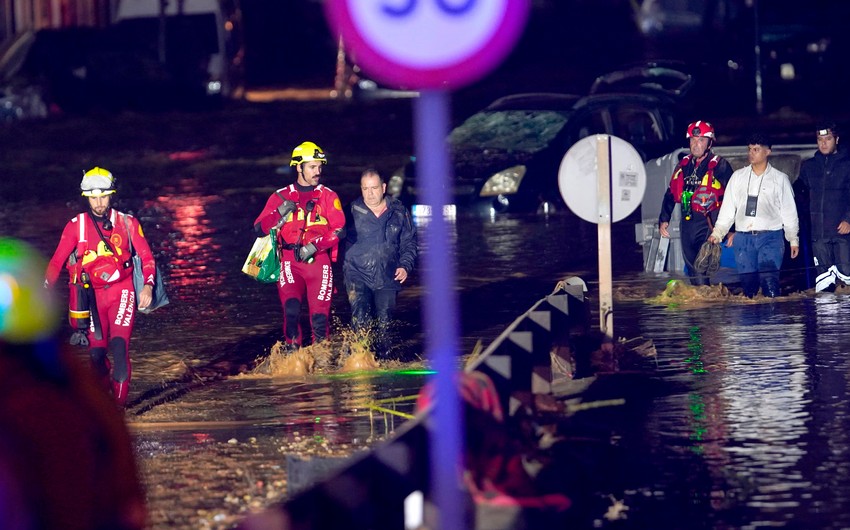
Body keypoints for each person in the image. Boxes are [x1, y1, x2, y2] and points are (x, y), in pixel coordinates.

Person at [44, 167, 158, 406]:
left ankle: (118, 409)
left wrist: (147, 286)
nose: (99, 202)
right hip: (91, 297)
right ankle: (104, 401)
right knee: (96, 355)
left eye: (103, 196)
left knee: (118, 347)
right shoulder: (76, 226)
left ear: (112, 195)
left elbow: (147, 258)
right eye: (94, 197)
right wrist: (44, 292)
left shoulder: (128, 223)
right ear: (86, 197)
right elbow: (56, 262)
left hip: (123, 291)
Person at [253, 141, 346, 350]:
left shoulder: (328, 196)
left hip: (319, 263)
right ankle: (293, 363)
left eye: (320, 167)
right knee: (291, 313)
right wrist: (279, 213)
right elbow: (258, 229)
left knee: (320, 319)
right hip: (288, 262)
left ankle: (322, 363)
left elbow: (340, 229)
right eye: (312, 167)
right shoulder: (280, 196)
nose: (317, 172)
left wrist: (315, 246)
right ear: (298, 167)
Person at [708, 133, 800, 298]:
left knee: (769, 281)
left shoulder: (780, 179)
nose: (751, 153)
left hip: (771, 237)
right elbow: (728, 210)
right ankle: (752, 321)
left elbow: (789, 212)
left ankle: (772, 320)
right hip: (743, 239)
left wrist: (793, 239)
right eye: (750, 149)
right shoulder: (738, 178)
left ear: (767, 152)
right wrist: (717, 233)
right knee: (748, 287)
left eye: (756, 149)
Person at [343, 169, 418, 357]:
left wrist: (405, 265)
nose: (370, 193)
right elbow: (331, 235)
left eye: (374, 188)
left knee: (385, 323)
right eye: (365, 188)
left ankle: (384, 364)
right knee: (361, 319)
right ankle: (358, 361)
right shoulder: (350, 211)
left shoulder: (399, 211)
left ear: (383, 187)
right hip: (356, 273)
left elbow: (409, 242)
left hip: (388, 274)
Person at [659, 120, 734, 285]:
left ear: (709, 142)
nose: (696, 144)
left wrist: (731, 229)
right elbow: (671, 192)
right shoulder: (683, 164)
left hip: (708, 222)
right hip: (687, 222)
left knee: (701, 267)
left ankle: (706, 306)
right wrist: (664, 219)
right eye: (693, 140)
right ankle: (702, 305)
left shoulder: (720, 165)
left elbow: (734, 197)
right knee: (692, 270)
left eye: (701, 140)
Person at [796, 123, 850, 292]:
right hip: (818, 237)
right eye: (820, 139)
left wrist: (849, 219)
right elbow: (799, 195)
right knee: (824, 287)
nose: (824, 143)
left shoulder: (847, 165)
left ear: (837, 139)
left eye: (828, 139)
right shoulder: (809, 166)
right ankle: (827, 319)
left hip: (842, 235)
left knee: (846, 284)